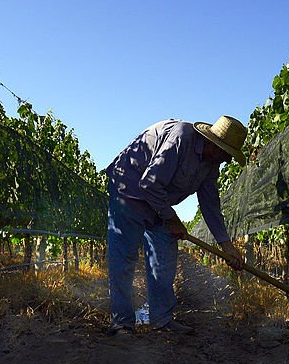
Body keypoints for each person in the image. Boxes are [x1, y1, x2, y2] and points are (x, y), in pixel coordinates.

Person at [104, 115, 246, 336]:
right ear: (214, 145)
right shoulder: (180, 138)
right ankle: (122, 323)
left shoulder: (211, 165)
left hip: (157, 202)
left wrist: (226, 245)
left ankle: (161, 319)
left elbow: (210, 205)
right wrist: (172, 219)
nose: (226, 160)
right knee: (125, 258)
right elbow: (148, 183)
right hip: (128, 191)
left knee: (164, 256)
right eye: (227, 154)